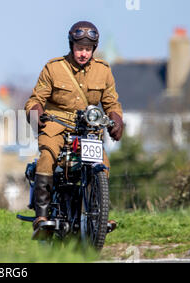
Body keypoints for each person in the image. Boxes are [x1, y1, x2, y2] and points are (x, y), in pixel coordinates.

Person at [24, 21, 123, 236]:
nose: (83, 54)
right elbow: (35, 98)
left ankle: (99, 213)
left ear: (94, 49)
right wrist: (36, 113)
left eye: (88, 49)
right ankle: (41, 216)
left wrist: (117, 119)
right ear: (71, 46)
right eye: (80, 49)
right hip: (56, 125)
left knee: (102, 162)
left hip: (88, 127)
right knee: (47, 157)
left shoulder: (103, 71)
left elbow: (111, 102)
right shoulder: (53, 67)